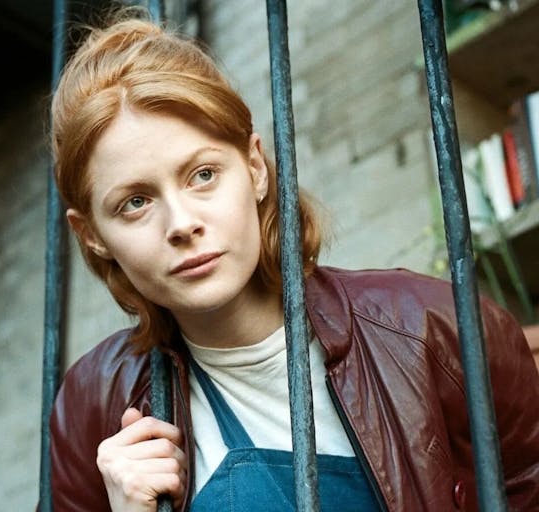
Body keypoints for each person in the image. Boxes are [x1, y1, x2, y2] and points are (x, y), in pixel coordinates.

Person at [47, 12, 539, 512]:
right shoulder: (95, 406)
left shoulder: (433, 330)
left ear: (255, 168)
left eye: (203, 175)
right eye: (135, 202)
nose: (181, 223)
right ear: (92, 236)